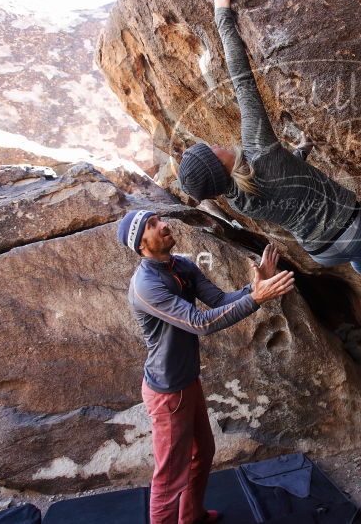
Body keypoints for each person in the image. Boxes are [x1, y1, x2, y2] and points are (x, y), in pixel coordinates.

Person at [178, 0, 361, 335]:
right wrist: (222, 13)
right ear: (218, 166)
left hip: (322, 250)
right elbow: (241, 79)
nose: (213, 143)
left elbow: (283, 189)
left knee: (358, 254)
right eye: (209, 150)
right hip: (354, 225)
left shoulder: (236, 198)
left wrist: (299, 153)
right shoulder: (257, 147)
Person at [118, 209, 294, 524]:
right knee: (170, 476)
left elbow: (218, 300)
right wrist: (256, 299)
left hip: (187, 382)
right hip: (168, 393)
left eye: (160, 219)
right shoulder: (146, 285)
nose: (164, 224)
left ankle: (191, 516)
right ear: (141, 244)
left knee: (203, 453)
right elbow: (200, 323)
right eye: (153, 224)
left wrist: (253, 290)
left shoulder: (181, 265)